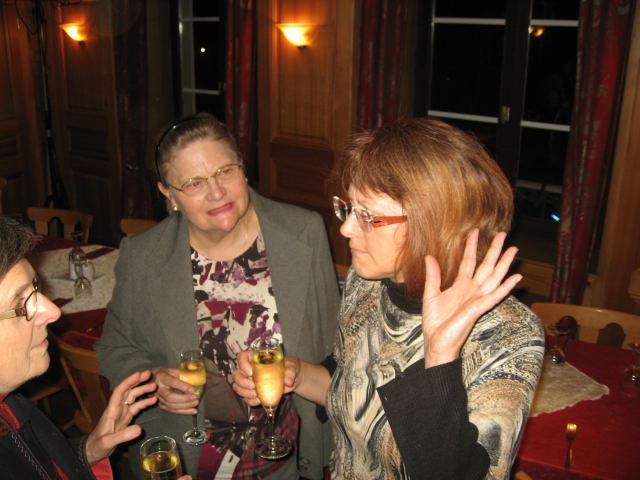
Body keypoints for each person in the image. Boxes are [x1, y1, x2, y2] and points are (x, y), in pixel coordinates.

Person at [233, 118, 545, 479]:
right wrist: (298, 374)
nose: (346, 228)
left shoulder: (509, 334)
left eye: (368, 216)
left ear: (434, 224)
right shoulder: (367, 283)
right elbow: (352, 385)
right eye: (350, 207)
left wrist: (439, 360)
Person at [95, 113, 340, 479]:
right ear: (168, 194)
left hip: (287, 454)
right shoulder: (142, 256)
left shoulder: (304, 231)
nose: (216, 192)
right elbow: (114, 348)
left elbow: (337, 344)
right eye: (193, 183)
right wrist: (153, 382)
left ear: (243, 168)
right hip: (192, 458)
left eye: (225, 171)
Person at [0, 216, 192, 480]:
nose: (53, 311)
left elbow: (39, 467)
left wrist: (89, 451)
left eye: (35, 288)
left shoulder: (11, 403)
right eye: (20, 304)